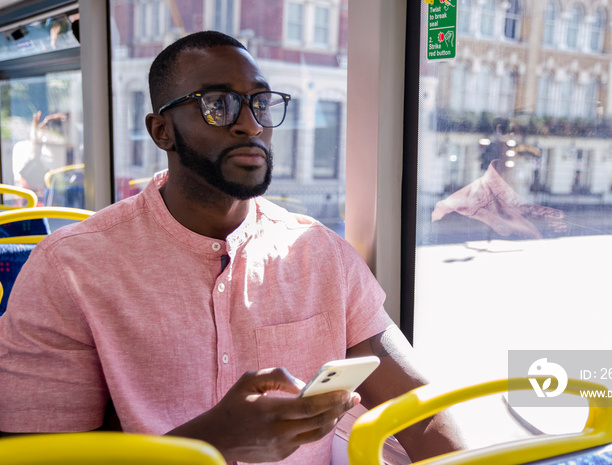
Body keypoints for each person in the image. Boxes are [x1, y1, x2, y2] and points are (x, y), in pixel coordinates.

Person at [0, 31, 466, 464]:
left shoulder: (323, 255)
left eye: (260, 104)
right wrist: (211, 444)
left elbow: (420, 408)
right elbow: (39, 454)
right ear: (162, 131)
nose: (249, 124)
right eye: (218, 105)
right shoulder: (70, 268)